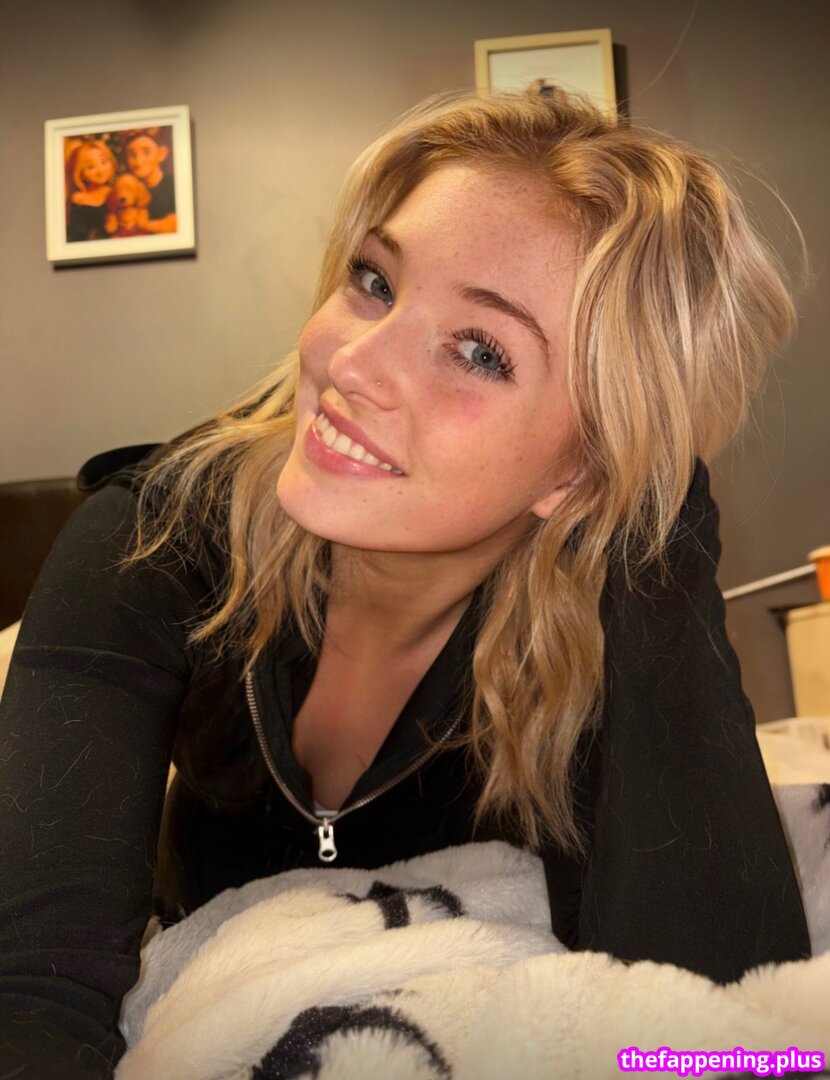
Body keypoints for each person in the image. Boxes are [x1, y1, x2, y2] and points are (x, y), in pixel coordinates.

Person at [0, 89, 810, 1077]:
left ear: (582, 472)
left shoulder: (588, 636)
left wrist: (657, 513)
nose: (352, 363)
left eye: (479, 352)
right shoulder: (150, 540)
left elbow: (712, 1021)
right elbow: (31, 991)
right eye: (375, 281)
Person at [123, 128, 177, 234]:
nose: (138, 161)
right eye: (132, 155)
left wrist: (144, 226)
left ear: (161, 154)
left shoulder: (173, 184)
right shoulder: (130, 191)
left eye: (146, 152)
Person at [65, 138, 117, 242]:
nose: (100, 170)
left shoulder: (117, 193)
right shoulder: (77, 199)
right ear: (80, 173)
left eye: (103, 161)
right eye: (90, 167)